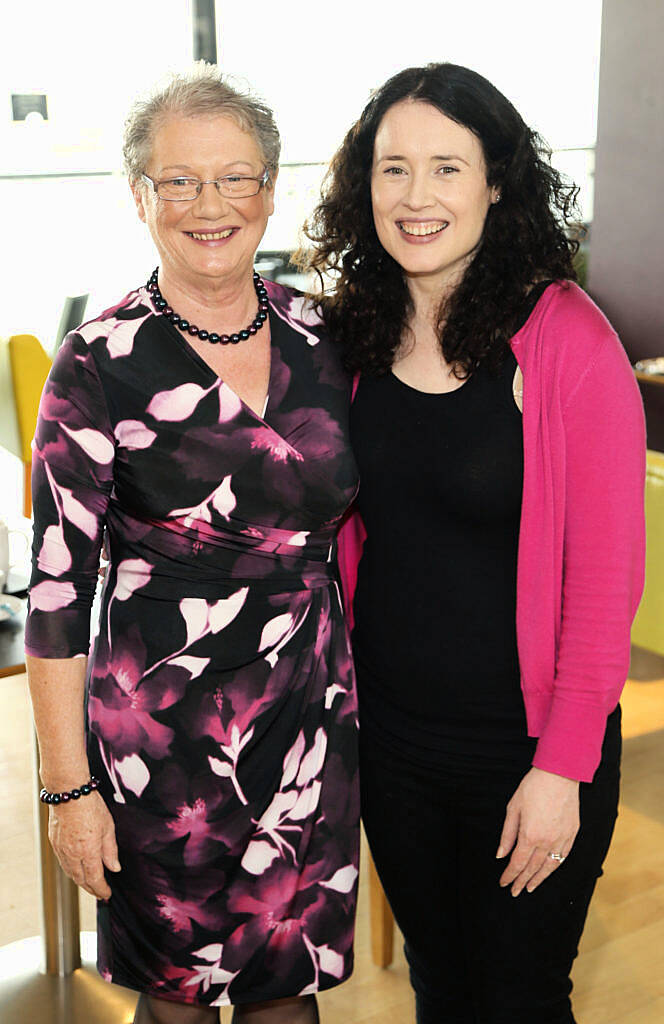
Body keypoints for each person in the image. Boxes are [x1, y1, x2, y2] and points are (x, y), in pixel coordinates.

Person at [299, 64, 646, 1023]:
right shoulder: (352, 336)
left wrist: (561, 768)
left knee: (518, 997)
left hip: (524, 746)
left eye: (446, 168)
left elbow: (606, 580)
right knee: (439, 985)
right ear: (360, 183)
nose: (417, 198)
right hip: (395, 742)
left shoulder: (567, 339)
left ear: (497, 181)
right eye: (393, 168)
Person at [25, 63, 359, 1024]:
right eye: (178, 180)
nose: (209, 205)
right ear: (139, 195)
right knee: (173, 1002)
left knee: (288, 994)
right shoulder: (99, 358)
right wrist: (66, 789)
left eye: (235, 177)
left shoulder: (325, 337)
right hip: (159, 749)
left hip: (309, 724)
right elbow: (55, 593)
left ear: (270, 186)